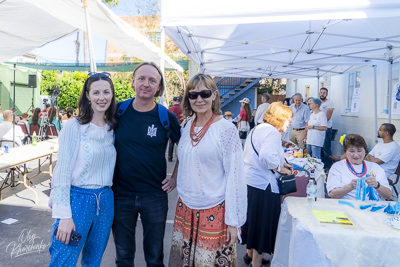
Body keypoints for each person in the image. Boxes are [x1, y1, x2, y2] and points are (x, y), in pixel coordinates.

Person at [169, 73, 247, 266]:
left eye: (204, 93)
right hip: (185, 208)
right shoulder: (186, 126)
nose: (199, 99)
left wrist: (233, 222)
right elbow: (184, 158)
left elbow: (235, 177)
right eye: (193, 95)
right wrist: (173, 177)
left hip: (214, 211)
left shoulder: (226, 130)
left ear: (214, 95)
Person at [112, 62, 181, 267]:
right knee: (123, 258)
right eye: (141, 78)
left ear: (158, 88)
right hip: (121, 196)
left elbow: (186, 150)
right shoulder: (118, 111)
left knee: (154, 258)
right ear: (133, 82)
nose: (146, 84)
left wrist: (175, 177)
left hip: (154, 196)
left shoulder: (165, 116)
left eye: (152, 80)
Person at [48, 72, 117, 266]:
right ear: (87, 95)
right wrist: (64, 215)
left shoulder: (112, 127)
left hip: (105, 201)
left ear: (112, 95)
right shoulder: (74, 127)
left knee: (93, 261)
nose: (101, 97)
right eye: (96, 92)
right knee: (63, 260)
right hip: (77, 200)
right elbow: (61, 172)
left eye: (106, 92)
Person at [241, 102, 293, 267]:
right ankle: (257, 263)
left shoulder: (258, 128)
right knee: (263, 225)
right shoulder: (272, 132)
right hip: (264, 186)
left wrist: (282, 163)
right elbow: (266, 158)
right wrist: (280, 168)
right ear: (280, 118)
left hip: (251, 183)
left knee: (253, 222)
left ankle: (249, 255)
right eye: (288, 119)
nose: (289, 123)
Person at [326, 134, 391, 200]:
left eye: (359, 151)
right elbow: (333, 195)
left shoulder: (375, 167)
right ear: (345, 153)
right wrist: (350, 186)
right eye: (351, 151)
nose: (356, 155)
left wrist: (377, 185)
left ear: (365, 152)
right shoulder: (337, 167)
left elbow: (388, 196)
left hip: (372, 207)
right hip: (347, 207)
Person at [333, 123, 400, 179]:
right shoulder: (380, 144)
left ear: (386, 133)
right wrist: (372, 159)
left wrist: (372, 159)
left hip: (382, 172)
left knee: (353, 175)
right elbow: (368, 156)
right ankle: (340, 160)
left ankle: (340, 159)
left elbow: (376, 161)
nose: (377, 131)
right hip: (371, 167)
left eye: (380, 130)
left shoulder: (393, 147)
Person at [319, 87, 335, 169]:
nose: (322, 94)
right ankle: (321, 165)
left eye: (324, 93)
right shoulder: (318, 103)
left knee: (326, 148)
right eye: (321, 92)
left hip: (326, 128)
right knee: (320, 147)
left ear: (327, 94)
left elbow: (327, 117)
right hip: (318, 129)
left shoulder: (330, 103)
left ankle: (328, 166)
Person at [168, 96, 183, 162]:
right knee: (180, 143)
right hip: (181, 127)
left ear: (173, 101)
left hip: (171, 128)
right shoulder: (183, 109)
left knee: (171, 143)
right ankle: (181, 156)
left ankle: (169, 157)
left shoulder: (170, 109)